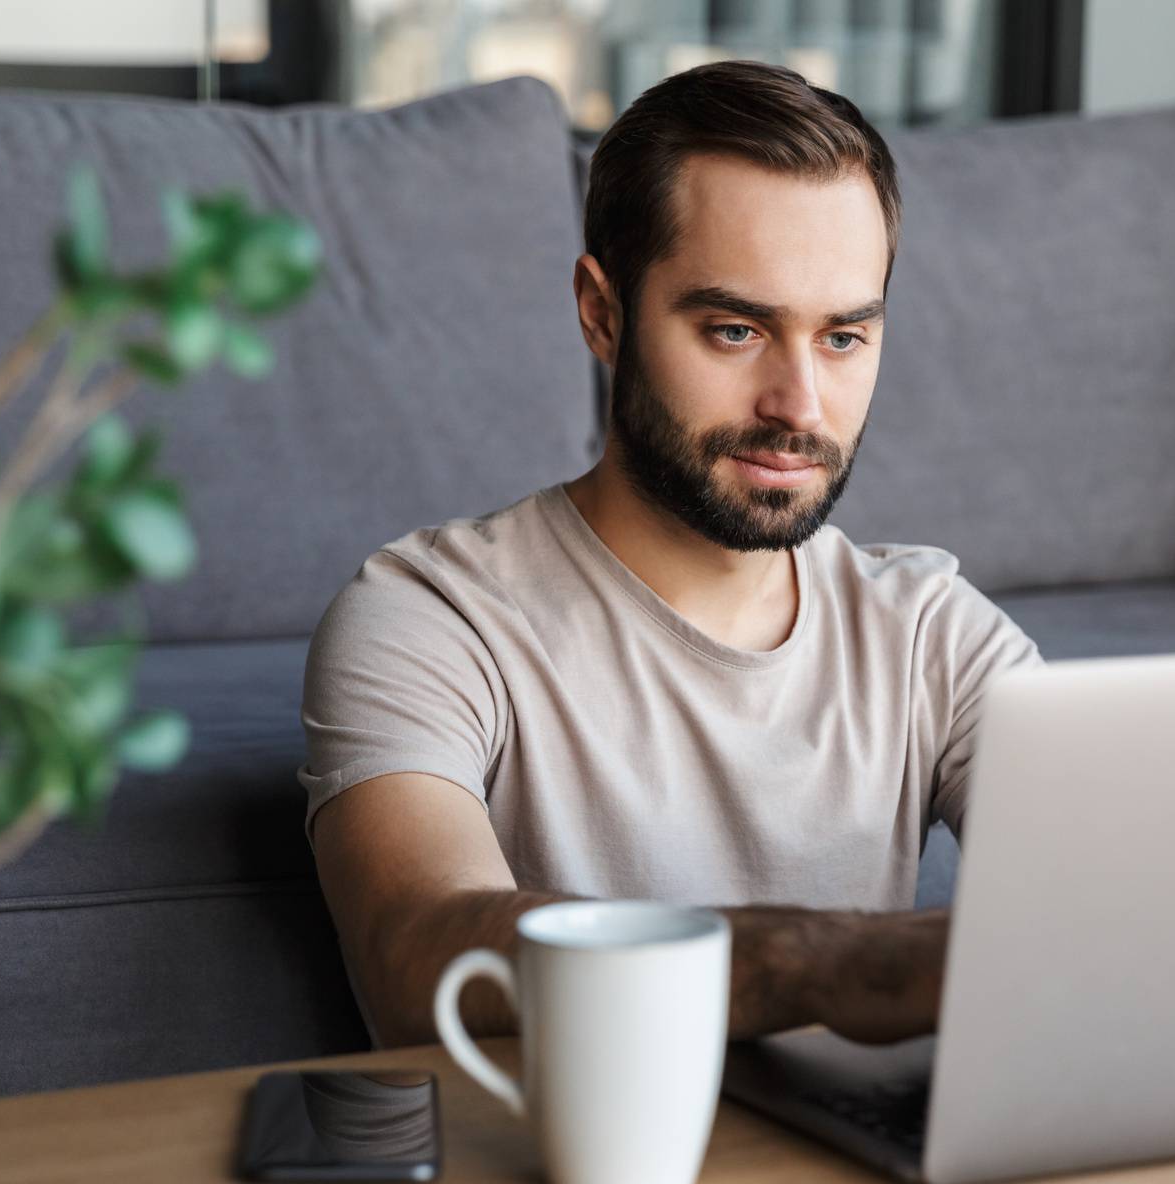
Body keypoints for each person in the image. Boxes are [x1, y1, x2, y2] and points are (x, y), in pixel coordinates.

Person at [299, 59, 1043, 1050]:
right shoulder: (432, 617)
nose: (799, 405)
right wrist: (821, 961)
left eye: (843, 338)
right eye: (736, 330)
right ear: (602, 313)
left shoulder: (932, 634)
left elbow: (1110, 913)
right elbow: (417, 953)